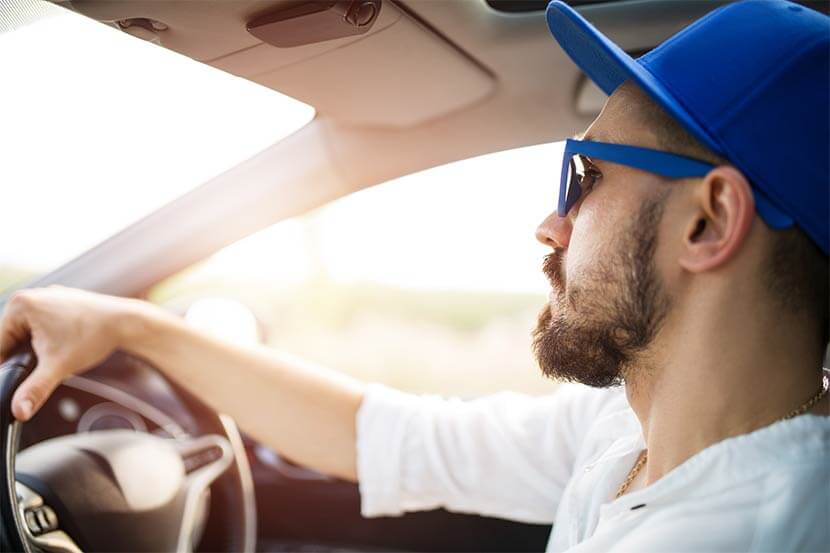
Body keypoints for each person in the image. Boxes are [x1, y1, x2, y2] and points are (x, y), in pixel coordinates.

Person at [2, 0, 828, 550]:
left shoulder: (749, 529)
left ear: (710, 220)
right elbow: (399, 436)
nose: (552, 222)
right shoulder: (635, 434)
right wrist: (128, 325)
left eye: (587, 175)